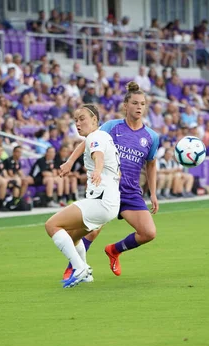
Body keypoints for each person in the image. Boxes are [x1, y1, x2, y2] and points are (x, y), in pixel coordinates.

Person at [59, 82, 159, 279]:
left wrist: (153, 193)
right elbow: (89, 141)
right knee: (91, 231)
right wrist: (70, 161)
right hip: (107, 189)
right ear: (125, 105)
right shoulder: (112, 127)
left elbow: (151, 165)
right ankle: (74, 267)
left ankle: (114, 250)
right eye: (135, 103)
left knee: (148, 233)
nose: (139, 107)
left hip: (130, 192)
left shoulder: (151, 137)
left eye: (143, 104)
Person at [45, 104, 121, 288]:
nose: (78, 123)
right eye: (76, 120)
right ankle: (85, 272)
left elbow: (98, 156)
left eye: (82, 119)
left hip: (100, 201)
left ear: (95, 120)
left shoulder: (96, 137)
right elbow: (87, 146)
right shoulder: (99, 136)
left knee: (52, 225)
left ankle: (79, 268)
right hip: (108, 202)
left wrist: (97, 170)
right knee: (72, 237)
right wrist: (70, 162)